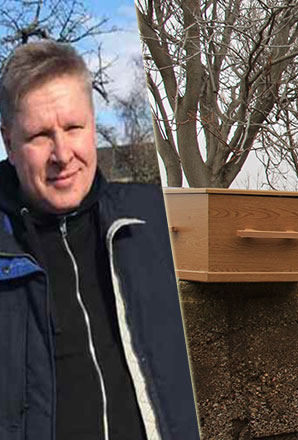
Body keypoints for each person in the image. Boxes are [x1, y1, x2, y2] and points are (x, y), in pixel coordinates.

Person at [0, 41, 198, 439]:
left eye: (74, 128)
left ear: (93, 124)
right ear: (8, 141)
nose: (62, 154)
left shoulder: (153, 220)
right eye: (39, 135)